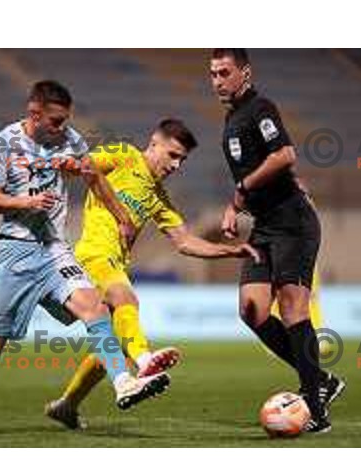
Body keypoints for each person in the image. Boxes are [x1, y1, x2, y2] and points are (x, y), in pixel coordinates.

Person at [0, 80, 171, 435]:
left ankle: (123, 382)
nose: (62, 128)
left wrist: (123, 217)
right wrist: (27, 203)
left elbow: (95, 179)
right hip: (14, 253)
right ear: (34, 114)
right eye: (55, 121)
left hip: (53, 249)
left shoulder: (72, 141)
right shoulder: (3, 143)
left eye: (65, 120)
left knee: (95, 308)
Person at [45, 118, 259, 430]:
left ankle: (67, 405)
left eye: (182, 160)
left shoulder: (158, 197)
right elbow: (85, 165)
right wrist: (58, 163)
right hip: (91, 255)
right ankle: (144, 362)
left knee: (115, 342)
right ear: (153, 143)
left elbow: (184, 241)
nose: (176, 165)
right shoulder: (124, 155)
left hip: (115, 264)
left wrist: (231, 250)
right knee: (125, 297)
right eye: (172, 155)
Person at [210, 49, 345, 433]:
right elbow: (256, 175)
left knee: (292, 312)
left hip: (293, 225)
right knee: (251, 310)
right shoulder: (232, 117)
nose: (218, 80)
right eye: (213, 73)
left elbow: (284, 154)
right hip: (266, 226)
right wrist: (236, 205)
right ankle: (322, 380)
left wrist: (241, 189)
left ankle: (316, 406)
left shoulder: (259, 107)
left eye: (225, 72)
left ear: (245, 73)